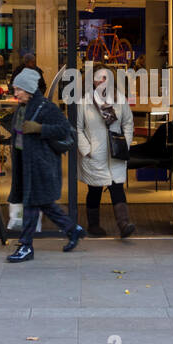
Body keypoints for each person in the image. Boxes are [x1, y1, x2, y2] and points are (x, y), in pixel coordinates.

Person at [5, 66, 84, 263]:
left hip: (40, 165)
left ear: (29, 89)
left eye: (18, 89)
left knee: (32, 204)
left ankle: (25, 246)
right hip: (26, 164)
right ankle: (73, 229)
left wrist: (40, 128)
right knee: (45, 204)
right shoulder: (22, 109)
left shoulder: (45, 107)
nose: (15, 93)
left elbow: (64, 129)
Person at [77, 65, 136, 238]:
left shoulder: (120, 99)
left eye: (106, 77)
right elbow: (77, 128)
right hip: (95, 154)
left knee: (117, 186)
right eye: (99, 78)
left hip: (116, 152)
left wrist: (125, 143)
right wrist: (87, 150)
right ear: (92, 81)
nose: (103, 81)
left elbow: (128, 123)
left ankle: (124, 224)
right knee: (94, 190)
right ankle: (94, 225)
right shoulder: (84, 102)